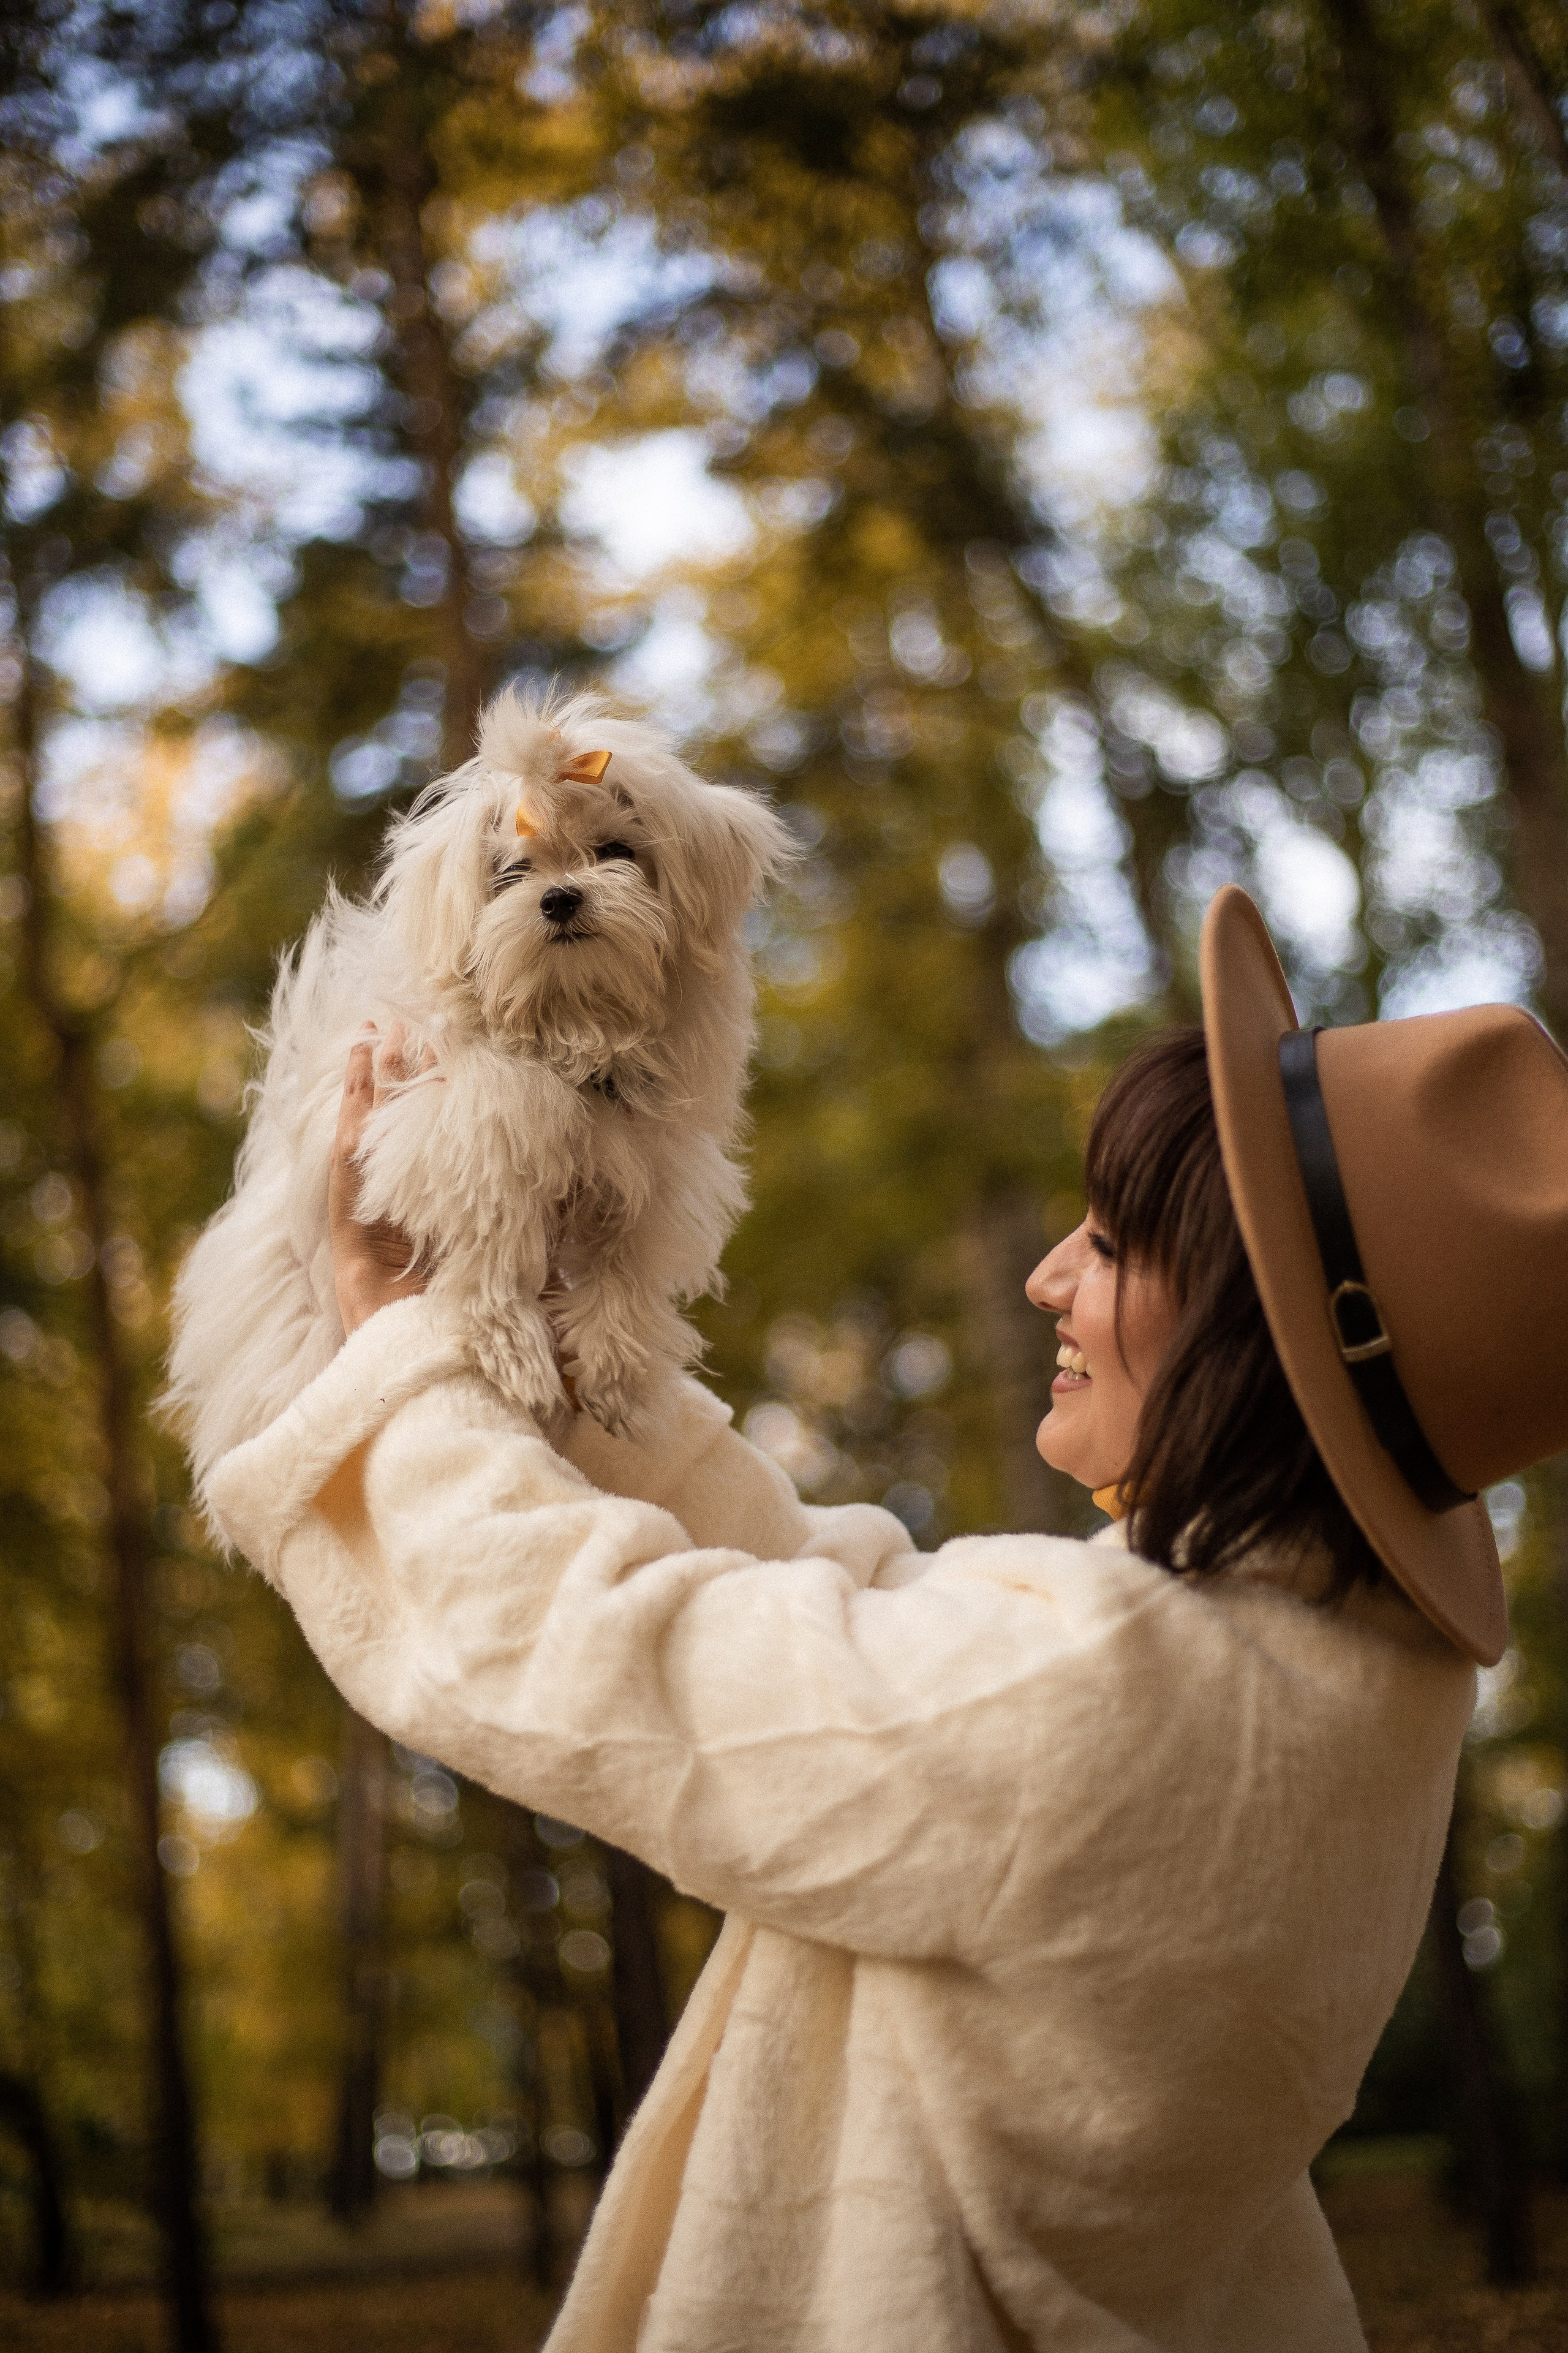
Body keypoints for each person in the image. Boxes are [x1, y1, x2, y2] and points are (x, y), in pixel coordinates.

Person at [203, 885, 1568, 2352]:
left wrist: (394, 1339)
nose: (1051, 1272)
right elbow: (844, 1609)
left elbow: (618, 1659)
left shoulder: (1124, 1702)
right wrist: (551, 1340)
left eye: (1110, 1244)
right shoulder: (1329, 1679)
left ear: (1253, 1335)